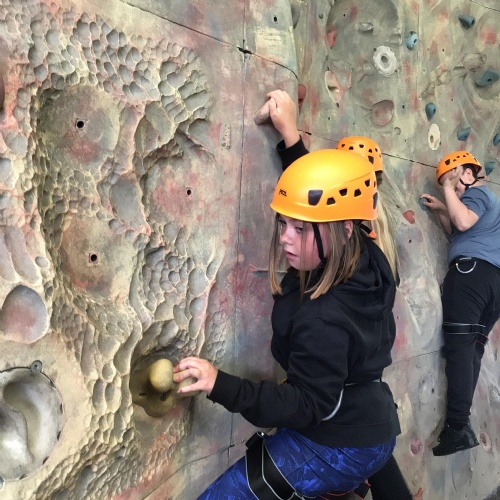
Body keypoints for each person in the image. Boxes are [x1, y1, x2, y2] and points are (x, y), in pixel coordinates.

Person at [174, 148, 401, 499]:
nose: (284, 238)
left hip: (340, 444)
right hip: (372, 423)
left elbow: (304, 405)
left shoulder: (324, 317)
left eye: (300, 228)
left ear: (345, 230)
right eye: (283, 223)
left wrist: (220, 384)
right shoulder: (366, 259)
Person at [265, 89, 419, 500]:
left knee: (337, 439)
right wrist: (290, 137)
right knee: (365, 445)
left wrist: (291, 136)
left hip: (338, 382)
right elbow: (315, 205)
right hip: (362, 381)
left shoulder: (354, 235)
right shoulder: (370, 232)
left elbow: (316, 207)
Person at [421, 151, 500, 457]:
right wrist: (444, 207)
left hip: (470, 275)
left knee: (459, 349)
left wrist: (445, 187)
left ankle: (457, 427)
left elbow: (463, 222)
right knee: (471, 349)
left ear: (468, 173)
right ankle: (460, 424)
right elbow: (458, 231)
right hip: (492, 282)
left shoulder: (478, 193)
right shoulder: (486, 204)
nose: (453, 190)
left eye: (455, 183)